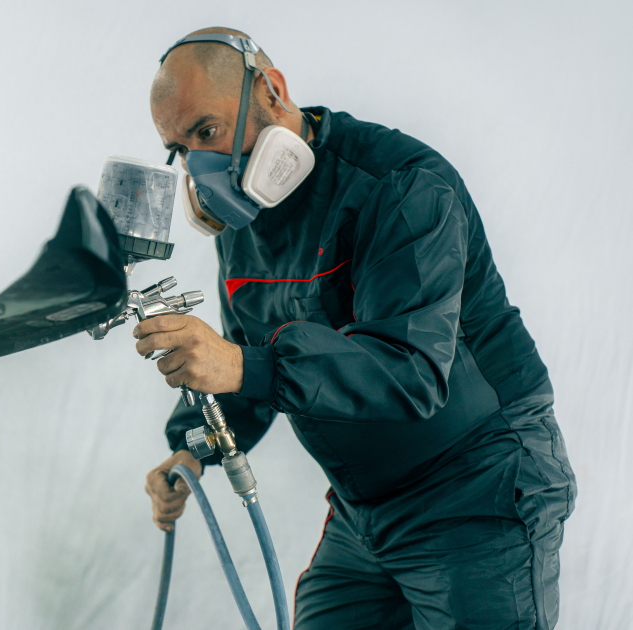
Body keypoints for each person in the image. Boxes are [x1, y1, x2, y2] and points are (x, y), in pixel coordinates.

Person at [135, 26, 576, 630]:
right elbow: (245, 364)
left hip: (478, 488)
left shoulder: (400, 185)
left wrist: (242, 365)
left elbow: (409, 369)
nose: (199, 165)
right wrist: (193, 449)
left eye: (206, 132)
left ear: (270, 91)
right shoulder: (244, 225)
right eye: (180, 149)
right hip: (363, 511)